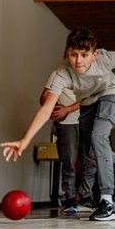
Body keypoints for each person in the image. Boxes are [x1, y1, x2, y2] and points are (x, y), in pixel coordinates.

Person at [1, 28, 115, 221]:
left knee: (99, 137)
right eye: (73, 55)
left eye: (84, 55)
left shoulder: (105, 58)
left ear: (94, 54)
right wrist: (25, 140)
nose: (78, 61)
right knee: (90, 151)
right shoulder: (62, 73)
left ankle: (107, 201)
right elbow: (47, 108)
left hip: (110, 94)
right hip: (87, 102)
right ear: (67, 53)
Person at [41, 86, 80, 214]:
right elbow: (44, 97)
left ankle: (88, 198)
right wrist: (53, 109)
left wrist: (68, 109)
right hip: (66, 125)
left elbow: (90, 98)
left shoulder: (89, 73)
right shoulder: (58, 74)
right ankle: (70, 200)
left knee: (90, 161)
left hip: (86, 121)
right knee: (68, 162)